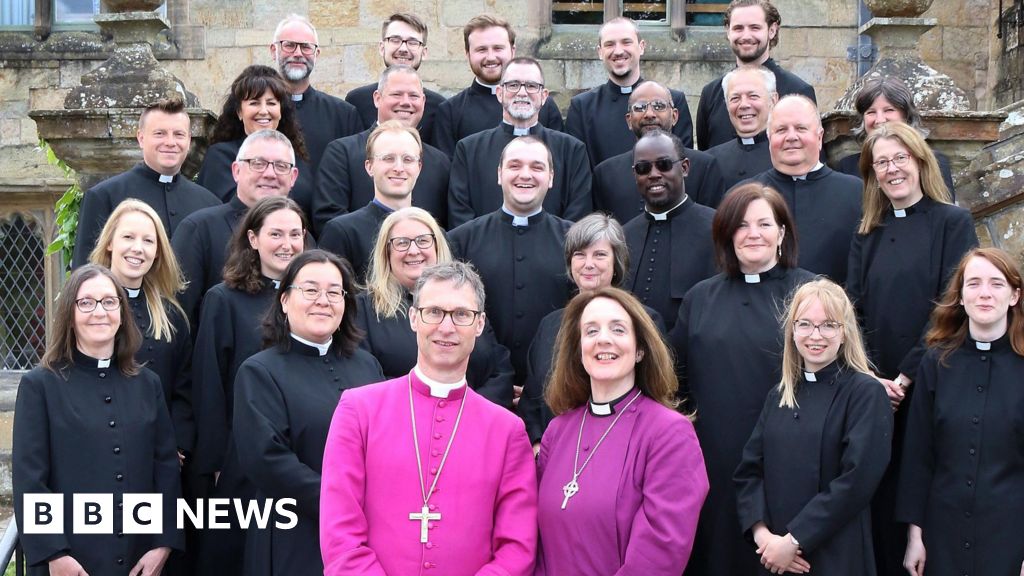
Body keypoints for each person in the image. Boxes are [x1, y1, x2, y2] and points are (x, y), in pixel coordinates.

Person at [320, 261, 538, 576]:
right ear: (413, 318)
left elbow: (517, 546)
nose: (446, 328)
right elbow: (340, 532)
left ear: (479, 325)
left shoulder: (507, 431)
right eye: (433, 312)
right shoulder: (359, 410)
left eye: (462, 314)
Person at [846, 121, 978, 576]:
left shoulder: (953, 222)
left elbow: (950, 304)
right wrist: (867, 377)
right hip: (873, 389)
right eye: (881, 162)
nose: (891, 169)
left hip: (926, 383)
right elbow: (852, 307)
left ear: (921, 161)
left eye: (900, 158)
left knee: (919, 492)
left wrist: (903, 377)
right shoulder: (867, 232)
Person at [669, 183, 814, 576]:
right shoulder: (700, 298)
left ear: (782, 233)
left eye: (765, 224)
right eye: (742, 225)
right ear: (726, 234)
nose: (753, 234)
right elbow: (673, 378)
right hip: (714, 458)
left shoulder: (811, 291)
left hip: (789, 458)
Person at [13, 265, 182, 576]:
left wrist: (162, 545)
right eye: (86, 302)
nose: (99, 312)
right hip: (69, 561)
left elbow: (166, 471)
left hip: (139, 557)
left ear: (121, 313)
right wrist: (54, 554)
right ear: (70, 316)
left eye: (109, 301)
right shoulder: (41, 386)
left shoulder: (148, 384)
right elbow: (30, 480)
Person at [535, 287, 708, 574]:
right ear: (578, 349)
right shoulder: (557, 430)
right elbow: (539, 541)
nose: (603, 339)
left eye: (617, 329)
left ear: (640, 349)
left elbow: (660, 552)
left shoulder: (670, 434)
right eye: (591, 331)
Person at [234, 250, 384, 576]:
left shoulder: (367, 365)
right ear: (285, 300)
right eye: (311, 290)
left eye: (334, 292)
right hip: (296, 534)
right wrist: (341, 503)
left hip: (368, 532)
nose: (323, 300)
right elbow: (268, 460)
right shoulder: (259, 371)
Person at [734, 279, 893, 576]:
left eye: (828, 325)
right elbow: (748, 472)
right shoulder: (779, 395)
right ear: (792, 331)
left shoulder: (865, 393)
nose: (815, 335)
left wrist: (795, 540)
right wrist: (764, 538)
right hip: (775, 558)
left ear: (844, 332)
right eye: (805, 324)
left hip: (836, 555)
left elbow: (857, 480)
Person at [191, 196, 308, 576]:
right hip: (240, 460)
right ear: (253, 239)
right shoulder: (223, 299)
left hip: (302, 457)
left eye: (295, 234)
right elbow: (210, 384)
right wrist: (216, 463)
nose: (286, 244)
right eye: (276, 233)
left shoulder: (316, 301)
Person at [897, 248, 1024, 576]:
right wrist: (915, 535)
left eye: (997, 284)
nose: (984, 293)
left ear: (1014, 295)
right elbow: (918, 455)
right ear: (961, 296)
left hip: (1010, 535)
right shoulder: (936, 362)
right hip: (943, 534)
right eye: (974, 283)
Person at [519, 213, 665, 446]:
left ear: (616, 262)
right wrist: (538, 444)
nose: (588, 264)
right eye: (580, 255)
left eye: (599, 254)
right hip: (556, 450)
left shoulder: (644, 320)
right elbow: (532, 398)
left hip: (623, 446)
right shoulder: (549, 325)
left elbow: (655, 391)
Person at [357, 207, 515, 407]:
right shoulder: (363, 309)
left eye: (423, 240)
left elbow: (500, 371)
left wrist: (466, 412)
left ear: (437, 246)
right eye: (402, 243)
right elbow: (365, 379)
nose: (413, 250)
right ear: (386, 253)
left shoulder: (465, 299)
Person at [448, 136, 573, 386]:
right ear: (499, 174)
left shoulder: (574, 241)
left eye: (537, 167)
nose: (525, 175)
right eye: (515, 166)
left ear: (550, 178)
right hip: (479, 383)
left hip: (556, 383)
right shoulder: (460, 240)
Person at [89, 199, 194, 459]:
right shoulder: (85, 308)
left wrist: (176, 443)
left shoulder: (171, 316)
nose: (138, 249)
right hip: (96, 446)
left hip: (158, 451)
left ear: (158, 252)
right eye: (128, 237)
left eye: (148, 241)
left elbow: (185, 386)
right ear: (110, 243)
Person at [174, 129, 301, 327]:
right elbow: (178, 316)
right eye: (258, 164)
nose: (269, 174)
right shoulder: (199, 229)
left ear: (293, 177)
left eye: (280, 166)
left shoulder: (301, 237)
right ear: (236, 171)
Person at [72, 97, 219, 267]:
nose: (170, 142)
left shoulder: (209, 202)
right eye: (160, 133)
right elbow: (85, 272)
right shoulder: (103, 196)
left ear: (189, 141)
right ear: (141, 138)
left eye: (179, 134)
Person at [448, 56, 592, 228]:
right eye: (513, 85)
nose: (522, 92)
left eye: (531, 86)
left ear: (544, 96)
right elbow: (460, 215)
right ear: (500, 93)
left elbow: (578, 216)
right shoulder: (469, 149)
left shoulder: (572, 150)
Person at [313, 65, 449, 234]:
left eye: (413, 96)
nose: (406, 102)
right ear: (377, 98)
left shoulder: (440, 162)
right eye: (396, 94)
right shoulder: (342, 153)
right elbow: (329, 219)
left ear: (423, 101)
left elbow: (445, 225)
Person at [743, 95, 862, 283]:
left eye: (801, 128)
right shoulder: (744, 196)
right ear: (769, 137)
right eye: (781, 130)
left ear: (820, 136)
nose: (791, 137)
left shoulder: (857, 194)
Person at [565, 17, 694, 167]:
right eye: (609, 44)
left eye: (626, 42)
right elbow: (577, 169)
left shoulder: (673, 100)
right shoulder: (582, 107)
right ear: (600, 52)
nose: (618, 51)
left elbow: (684, 161)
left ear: (641, 47)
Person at [623, 129, 717, 331]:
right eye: (643, 168)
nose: (654, 174)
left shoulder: (716, 228)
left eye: (664, 165)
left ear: (684, 167)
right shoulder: (624, 235)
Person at [432, 14, 564, 157]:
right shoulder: (450, 112)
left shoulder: (544, 105)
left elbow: (559, 160)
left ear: (513, 51)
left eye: (498, 48)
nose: (490, 57)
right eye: (481, 49)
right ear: (467, 54)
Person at [592, 80, 724, 220]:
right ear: (629, 120)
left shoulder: (705, 167)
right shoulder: (605, 174)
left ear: (674, 116)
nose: (649, 114)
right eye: (640, 107)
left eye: (659, 106)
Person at [696, 0, 815, 150]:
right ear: (728, 31)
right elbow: (705, 157)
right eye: (738, 28)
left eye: (755, 28)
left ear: (772, 30)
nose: (746, 36)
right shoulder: (711, 93)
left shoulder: (798, 91)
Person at [197, 65, 314, 215]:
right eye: (254, 103)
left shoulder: (296, 156)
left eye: (271, 103)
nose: (264, 111)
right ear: (239, 112)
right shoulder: (221, 156)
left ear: (281, 111)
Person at [319, 120, 422, 282]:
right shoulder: (343, 233)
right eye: (388, 158)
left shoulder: (433, 233)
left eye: (408, 159)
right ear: (369, 166)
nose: (399, 168)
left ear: (419, 167)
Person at [270, 14, 362, 176]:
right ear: (274, 51)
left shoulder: (344, 115)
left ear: (316, 54)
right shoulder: (256, 113)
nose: (298, 53)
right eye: (289, 45)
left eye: (306, 47)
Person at [836, 77, 957, 198]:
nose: (879, 120)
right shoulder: (847, 167)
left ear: (906, 116)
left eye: (888, 110)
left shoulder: (933, 161)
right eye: (871, 112)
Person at [344, 13, 446, 143]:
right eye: (395, 40)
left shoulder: (439, 106)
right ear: (382, 48)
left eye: (413, 42)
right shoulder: (357, 100)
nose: (403, 48)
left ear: (424, 52)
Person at [706, 67, 778, 193]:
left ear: (772, 101)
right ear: (727, 105)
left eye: (753, 96)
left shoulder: (787, 157)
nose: (744, 104)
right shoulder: (710, 161)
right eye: (735, 98)